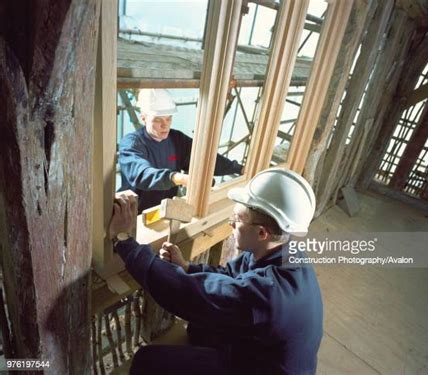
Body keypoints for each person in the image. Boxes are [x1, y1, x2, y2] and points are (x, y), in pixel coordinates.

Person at [109, 168, 323, 374]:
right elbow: (229, 277)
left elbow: (183, 294)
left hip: (259, 368)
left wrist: (123, 240)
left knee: (148, 361)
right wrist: (187, 268)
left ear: (262, 232)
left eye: (238, 219)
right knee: (199, 328)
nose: (231, 222)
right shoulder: (280, 250)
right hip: (262, 348)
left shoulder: (269, 294)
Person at [119, 89, 243, 213]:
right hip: (133, 214)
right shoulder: (132, 143)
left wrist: (239, 169)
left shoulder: (176, 139)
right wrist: (179, 178)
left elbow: (203, 158)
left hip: (163, 210)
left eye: (168, 119)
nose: (165, 125)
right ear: (143, 118)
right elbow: (141, 174)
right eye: (158, 120)